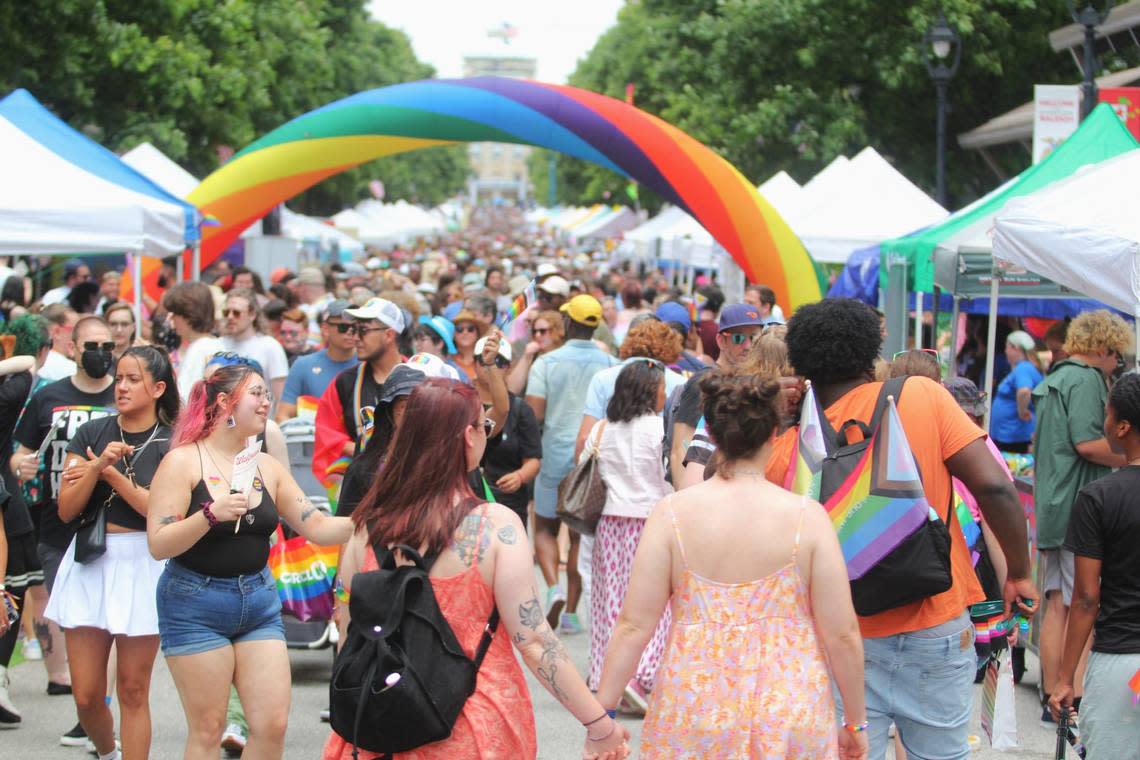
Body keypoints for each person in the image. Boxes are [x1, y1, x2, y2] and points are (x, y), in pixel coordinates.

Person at [764, 298, 1036, 759]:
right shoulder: (921, 395)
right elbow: (995, 489)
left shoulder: (789, 446)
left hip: (842, 633)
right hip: (936, 617)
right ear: (873, 349)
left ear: (802, 364)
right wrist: (1019, 574)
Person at [324, 379, 630, 760]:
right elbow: (534, 640)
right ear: (467, 437)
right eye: (483, 426)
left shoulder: (365, 527)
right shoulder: (496, 527)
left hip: (381, 721)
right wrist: (599, 725)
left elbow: (348, 627)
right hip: (472, 722)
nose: (487, 434)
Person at [594, 371, 866, 759]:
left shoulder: (672, 514)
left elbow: (634, 625)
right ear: (775, 433)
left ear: (714, 436)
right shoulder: (807, 517)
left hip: (692, 704)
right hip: (789, 703)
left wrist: (602, 714)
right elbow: (842, 634)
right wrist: (855, 722)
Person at [146, 363, 354, 760]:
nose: (266, 402)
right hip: (195, 603)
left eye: (265, 394)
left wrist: (383, 522)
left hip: (258, 600)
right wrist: (210, 514)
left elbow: (320, 526)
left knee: (271, 726)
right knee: (208, 730)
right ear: (225, 402)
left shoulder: (266, 466)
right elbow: (159, 544)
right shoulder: (183, 462)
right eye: (256, 394)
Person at [50, 346, 180, 760]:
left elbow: (158, 512)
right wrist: (93, 467)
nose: (121, 387)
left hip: (145, 561)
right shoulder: (92, 432)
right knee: (86, 694)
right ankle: (108, 752)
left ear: (158, 388)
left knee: (132, 687)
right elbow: (67, 508)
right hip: (92, 558)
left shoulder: (173, 441)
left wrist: (109, 474)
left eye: (132, 379)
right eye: (118, 377)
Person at [10, 315, 118, 746]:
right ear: (71, 348)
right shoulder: (48, 397)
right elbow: (19, 453)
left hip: (114, 526)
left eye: (108, 346)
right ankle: (87, 705)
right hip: (57, 527)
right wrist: (21, 465)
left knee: (110, 624)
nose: (101, 354)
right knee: (76, 623)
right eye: (92, 345)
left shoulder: (123, 393)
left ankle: (100, 711)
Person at [1032, 309, 1131, 726]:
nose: (1118, 365)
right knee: (1082, 605)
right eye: (1118, 357)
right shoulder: (1087, 379)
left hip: (1053, 505)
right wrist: (1131, 458)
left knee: (1057, 604)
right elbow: (1089, 443)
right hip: (1077, 502)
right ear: (1105, 349)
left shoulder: (1055, 375)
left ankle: (1051, 691)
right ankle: (1075, 693)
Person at [1049, 372, 1140, 757]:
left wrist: (1065, 677)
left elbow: (1086, 597)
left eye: (1105, 413)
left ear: (1122, 427)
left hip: (1121, 661)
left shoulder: (1098, 497)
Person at [585, 360, 673, 715]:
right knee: (657, 604)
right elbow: (666, 479)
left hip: (610, 523)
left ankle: (607, 677)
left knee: (610, 603)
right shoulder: (659, 430)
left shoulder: (603, 429)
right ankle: (640, 676)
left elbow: (585, 463)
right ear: (652, 390)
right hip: (651, 523)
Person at [526, 295, 616, 635]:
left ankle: (553, 588)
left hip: (553, 452)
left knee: (545, 528)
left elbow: (534, 412)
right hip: (592, 457)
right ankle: (572, 613)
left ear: (566, 321)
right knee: (579, 535)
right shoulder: (610, 361)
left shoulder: (547, 363)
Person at [0, 315, 52, 728]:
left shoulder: (16, 381)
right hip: (4, 490)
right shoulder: (19, 380)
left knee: (12, 587)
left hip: (7, 488)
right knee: (10, 587)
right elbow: (27, 367)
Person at [312, 297, 406, 492]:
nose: (355, 338)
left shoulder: (420, 378)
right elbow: (327, 434)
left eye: (363, 330)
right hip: (359, 488)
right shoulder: (345, 382)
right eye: (354, 330)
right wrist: (367, 450)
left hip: (408, 483)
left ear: (389, 335)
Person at [668, 303, 765, 483]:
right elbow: (679, 449)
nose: (748, 345)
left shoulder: (751, 383)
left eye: (755, 337)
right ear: (721, 341)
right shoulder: (705, 382)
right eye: (738, 338)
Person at [474, 337, 541, 530]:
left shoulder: (520, 409)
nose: (490, 367)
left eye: (499, 362)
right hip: (472, 500)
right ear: (474, 362)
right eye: (483, 360)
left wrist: (519, 476)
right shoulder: (462, 403)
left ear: (509, 367)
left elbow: (533, 460)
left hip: (509, 502)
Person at [276, 300, 358, 422]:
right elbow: (283, 415)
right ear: (325, 329)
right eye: (343, 327)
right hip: (315, 437)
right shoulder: (303, 365)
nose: (350, 332)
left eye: (356, 327)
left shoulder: (369, 364)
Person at [219, 288, 289, 404]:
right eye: (226, 312)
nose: (230, 317)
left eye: (236, 313)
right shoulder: (217, 344)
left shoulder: (270, 346)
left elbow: (280, 397)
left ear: (252, 315)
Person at [163, 282, 225, 402]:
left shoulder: (201, 348)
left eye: (175, 313)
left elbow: (184, 398)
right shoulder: (210, 344)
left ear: (188, 314)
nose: (171, 319)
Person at [989, 330, 1043, 453]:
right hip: (1011, 434)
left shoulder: (1023, 368)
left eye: (1007, 347)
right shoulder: (1024, 367)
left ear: (1016, 348)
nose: (1005, 351)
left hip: (1013, 436)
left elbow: (1024, 391)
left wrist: (1022, 411)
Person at [507, 309, 564, 395]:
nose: (537, 335)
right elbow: (511, 390)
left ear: (556, 330)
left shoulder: (565, 354)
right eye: (534, 331)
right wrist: (526, 357)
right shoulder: (530, 353)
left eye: (542, 331)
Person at [38, 304, 80, 382]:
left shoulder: (32, 362)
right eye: (75, 330)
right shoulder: (71, 370)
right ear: (57, 332)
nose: (78, 336)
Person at [449, 309, 486, 382]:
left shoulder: (487, 359)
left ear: (477, 334)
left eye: (470, 329)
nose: (465, 332)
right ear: (453, 335)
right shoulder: (447, 360)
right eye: (459, 329)